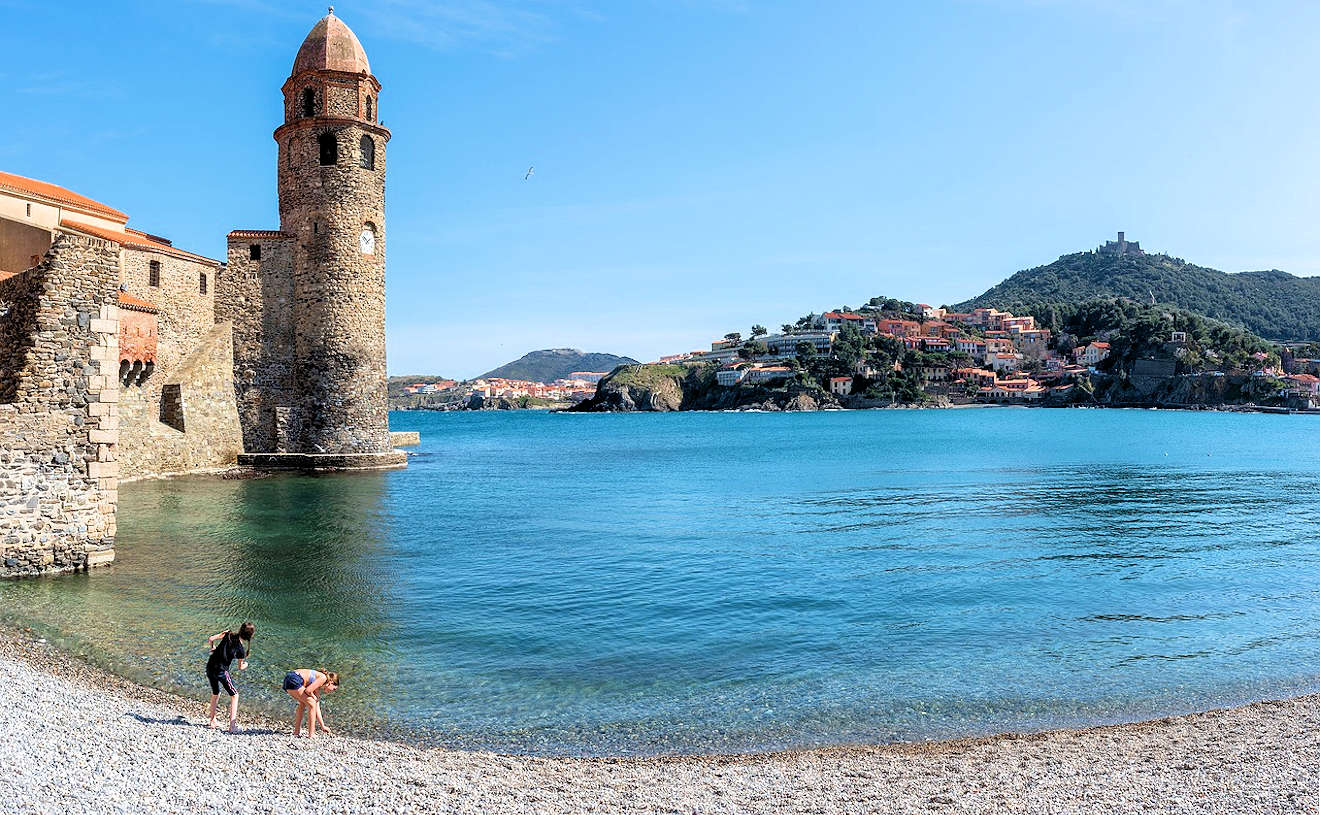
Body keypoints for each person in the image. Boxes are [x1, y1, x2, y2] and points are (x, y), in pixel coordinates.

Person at [205, 621, 255, 732]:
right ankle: (232, 727)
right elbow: (240, 667)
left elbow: (211, 638)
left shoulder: (228, 634)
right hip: (221, 671)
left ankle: (212, 721)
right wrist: (246, 665)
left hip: (210, 667)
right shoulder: (241, 650)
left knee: (215, 693)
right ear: (249, 636)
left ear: (240, 629)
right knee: (235, 695)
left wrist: (213, 648)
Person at [282, 668, 340, 738]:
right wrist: (313, 696)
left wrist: (322, 726)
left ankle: (296, 732)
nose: (332, 691)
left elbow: (317, 706)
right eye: (334, 689)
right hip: (294, 679)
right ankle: (311, 734)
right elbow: (308, 691)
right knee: (312, 703)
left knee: (303, 703)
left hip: (289, 678)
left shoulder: (318, 684)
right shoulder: (323, 678)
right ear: (331, 682)